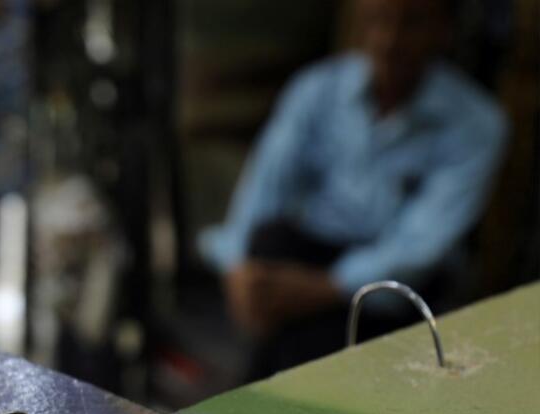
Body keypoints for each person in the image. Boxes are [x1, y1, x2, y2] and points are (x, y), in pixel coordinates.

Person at [198, 0, 507, 379]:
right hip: (310, 260)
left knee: (312, 339)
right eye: (378, 20)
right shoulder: (317, 89)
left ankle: (259, 399)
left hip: (396, 285)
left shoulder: (476, 124)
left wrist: (321, 290)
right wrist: (240, 271)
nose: (390, 40)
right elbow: (265, 187)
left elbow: (420, 247)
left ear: (443, 30)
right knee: (269, 247)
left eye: (411, 23)